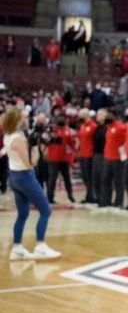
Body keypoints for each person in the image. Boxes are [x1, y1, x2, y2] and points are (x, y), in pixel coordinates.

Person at [3, 106, 61, 260]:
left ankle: (17, 248)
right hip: (25, 176)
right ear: (16, 120)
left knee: (23, 214)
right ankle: (40, 246)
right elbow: (30, 164)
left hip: (14, 177)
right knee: (46, 210)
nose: (24, 121)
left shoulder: (7, 136)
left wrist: (37, 143)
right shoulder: (18, 139)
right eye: (22, 119)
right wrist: (37, 149)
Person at [45, 114, 76, 204]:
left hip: (64, 158)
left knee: (67, 178)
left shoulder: (67, 130)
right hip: (53, 159)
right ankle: (49, 197)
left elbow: (70, 143)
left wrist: (75, 149)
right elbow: (46, 140)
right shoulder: (51, 129)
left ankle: (70, 196)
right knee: (52, 178)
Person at [101, 111, 126, 209]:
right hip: (108, 157)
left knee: (118, 181)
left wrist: (123, 154)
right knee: (105, 180)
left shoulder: (121, 127)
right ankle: (106, 200)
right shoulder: (108, 127)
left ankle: (119, 201)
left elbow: (127, 139)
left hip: (117, 158)